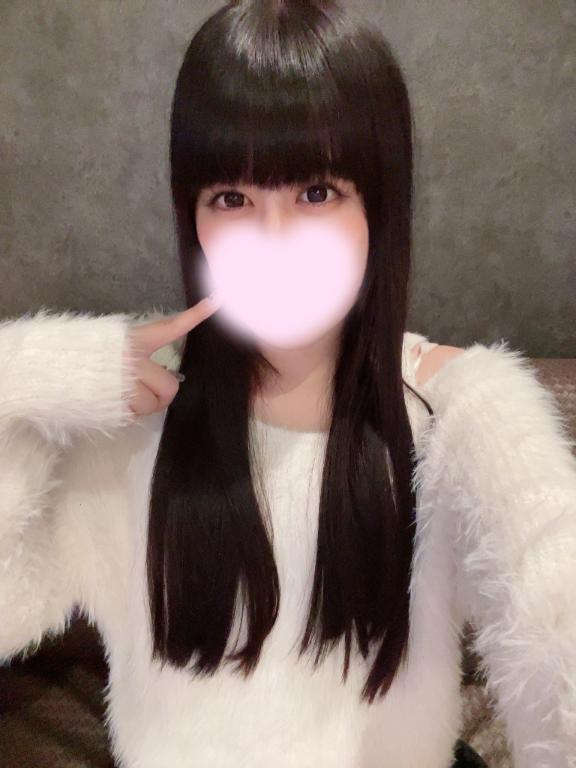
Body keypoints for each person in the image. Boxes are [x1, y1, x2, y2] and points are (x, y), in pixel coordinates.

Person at [1, 2, 575, 767]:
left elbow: (554, 609)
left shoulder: (452, 413)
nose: (273, 240)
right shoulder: (125, 414)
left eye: (316, 193)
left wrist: (488, 408)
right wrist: (31, 375)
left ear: (378, 206)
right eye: (232, 199)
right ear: (193, 216)